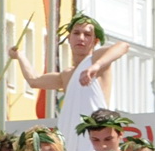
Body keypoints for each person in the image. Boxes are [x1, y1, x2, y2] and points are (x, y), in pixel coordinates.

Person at [11, 14, 129, 142]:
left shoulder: (96, 59)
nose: (81, 38)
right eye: (76, 33)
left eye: (87, 34)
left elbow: (123, 46)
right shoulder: (67, 75)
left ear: (95, 41)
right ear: (69, 38)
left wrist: (96, 66)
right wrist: (20, 56)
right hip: (72, 136)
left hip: (97, 136)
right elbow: (34, 81)